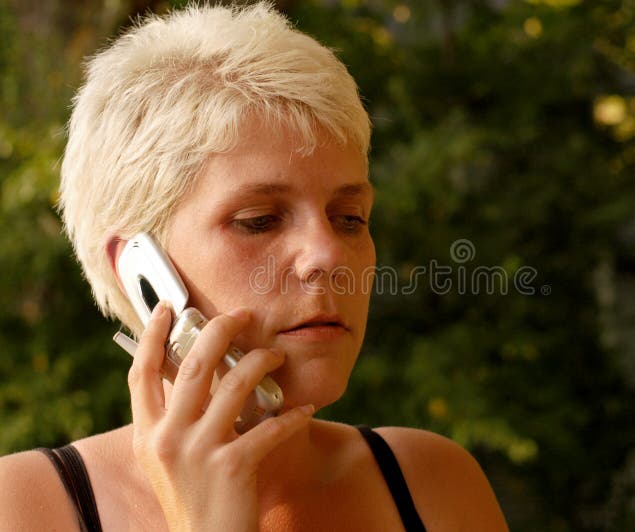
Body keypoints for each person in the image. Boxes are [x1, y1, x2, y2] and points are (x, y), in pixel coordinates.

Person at [0, 3, 508, 530]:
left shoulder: (434, 484)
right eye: (261, 220)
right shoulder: (21, 507)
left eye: (350, 218)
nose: (329, 255)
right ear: (140, 272)